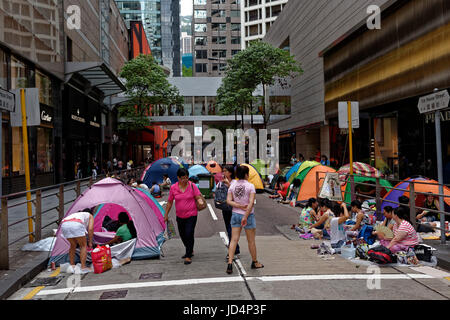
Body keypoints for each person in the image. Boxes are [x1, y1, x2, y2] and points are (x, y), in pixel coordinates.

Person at [226, 165, 263, 274]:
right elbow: (251, 202)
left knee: (234, 239)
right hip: (248, 216)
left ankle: (229, 263)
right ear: (246, 174)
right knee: (251, 241)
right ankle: (255, 262)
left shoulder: (232, 185)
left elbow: (228, 200)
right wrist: (245, 216)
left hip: (235, 214)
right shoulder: (250, 186)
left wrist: (238, 205)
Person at [164, 168, 205, 265]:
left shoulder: (192, 185)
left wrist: (199, 201)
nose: (185, 180)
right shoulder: (173, 188)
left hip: (192, 214)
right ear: (178, 178)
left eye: (186, 178)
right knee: (182, 235)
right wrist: (166, 214)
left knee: (189, 233)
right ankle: (189, 249)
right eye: (182, 178)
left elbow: (198, 196)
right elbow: (169, 202)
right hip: (180, 215)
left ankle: (188, 255)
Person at [60, 208, 94, 273]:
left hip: (64, 224)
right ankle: (83, 267)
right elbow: (90, 229)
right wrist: (90, 242)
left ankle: (72, 265)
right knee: (83, 246)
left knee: (73, 245)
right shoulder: (90, 216)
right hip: (76, 224)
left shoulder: (77, 214)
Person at [216, 165, 240, 259]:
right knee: (229, 229)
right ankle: (236, 248)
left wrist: (228, 185)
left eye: (225, 171)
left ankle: (232, 251)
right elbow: (217, 192)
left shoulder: (236, 183)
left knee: (231, 230)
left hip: (235, 209)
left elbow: (238, 196)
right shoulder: (221, 182)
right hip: (225, 209)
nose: (223, 173)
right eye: (223, 171)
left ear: (230, 173)